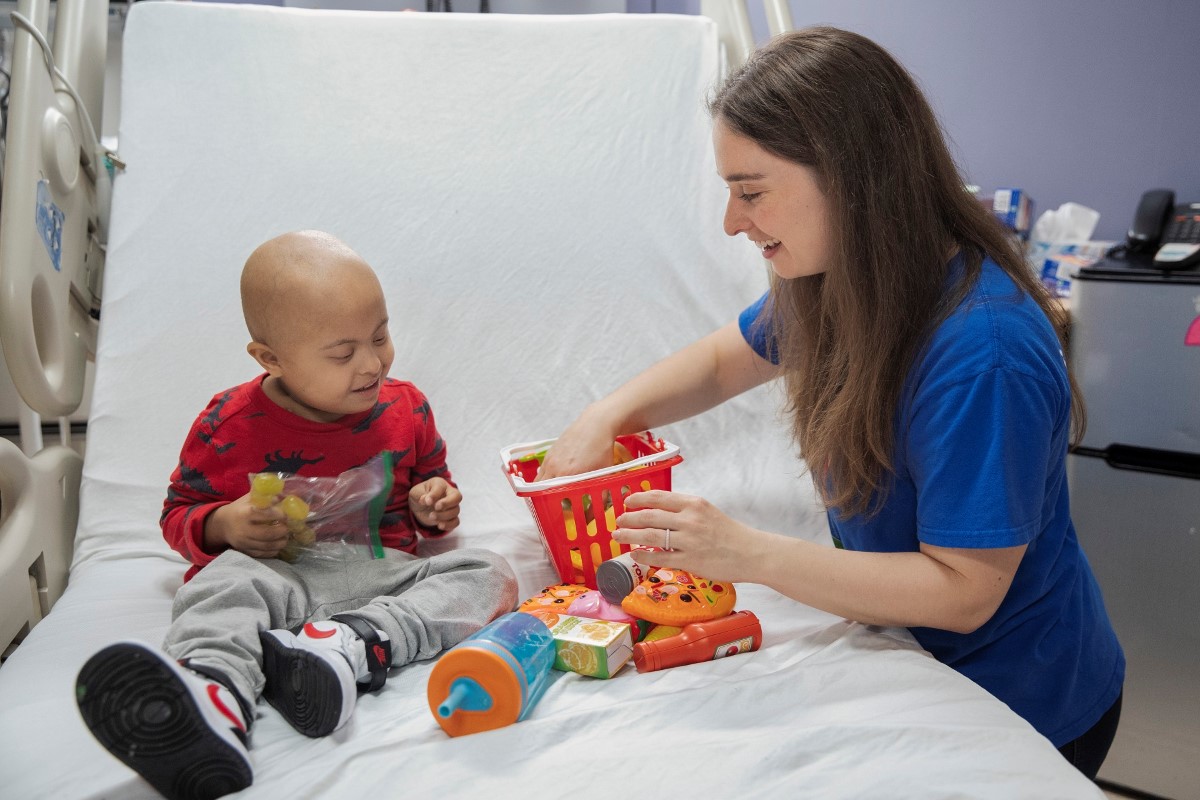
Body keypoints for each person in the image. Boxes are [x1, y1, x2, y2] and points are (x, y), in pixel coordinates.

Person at [538, 27, 1123, 780]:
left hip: (1027, 703)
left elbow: (965, 592)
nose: (731, 223)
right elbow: (726, 360)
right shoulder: (841, 279)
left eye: (750, 193)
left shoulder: (984, 353)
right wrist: (604, 417)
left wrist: (746, 554)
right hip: (915, 662)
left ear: (851, 177)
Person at [75, 230, 518, 800]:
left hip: (376, 576)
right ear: (271, 359)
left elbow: (436, 489)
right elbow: (178, 516)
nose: (372, 363)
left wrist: (433, 504)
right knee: (219, 589)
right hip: (274, 575)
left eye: (380, 336)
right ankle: (215, 693)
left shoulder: (406, 408)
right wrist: (225, 524)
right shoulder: (228, 424)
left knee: (490, 572)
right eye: (342, 352)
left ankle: (354, 644)